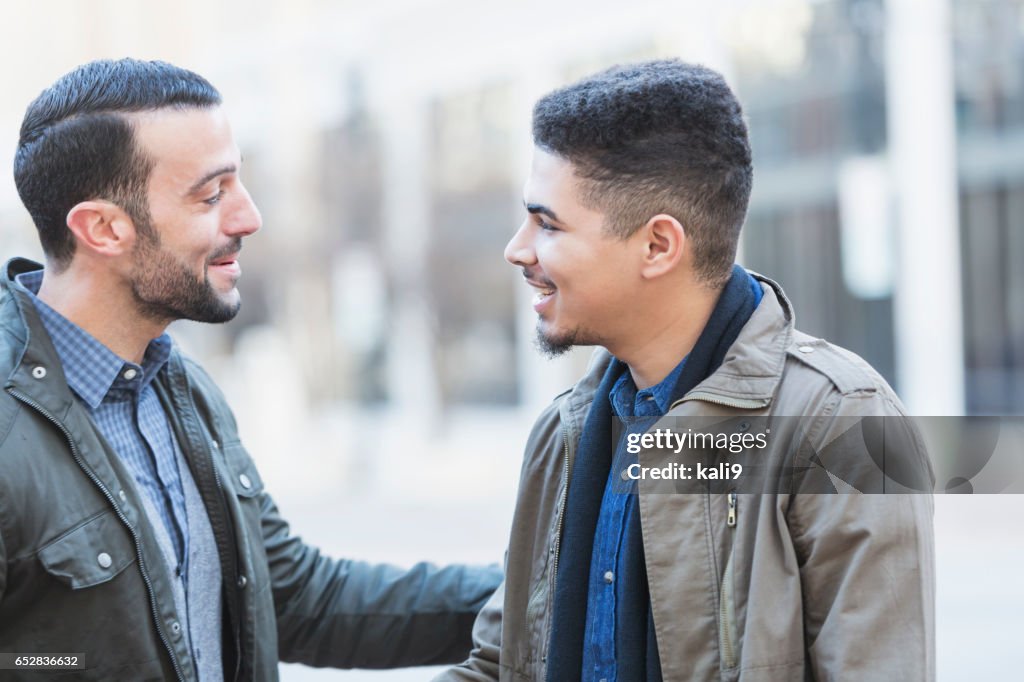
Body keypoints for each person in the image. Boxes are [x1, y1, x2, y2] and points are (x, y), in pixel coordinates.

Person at [0, 59, 501, 682]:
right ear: (103, 228)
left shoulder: (181, 391)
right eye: (211, 195)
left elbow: (297, 601)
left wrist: (545, 580)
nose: (247, 217)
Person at [438, 60, 935, 681]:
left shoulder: (841, 424)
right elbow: (500, 665)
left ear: (658, 246)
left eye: (547, 223)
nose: (518, 248)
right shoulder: (562, 434)